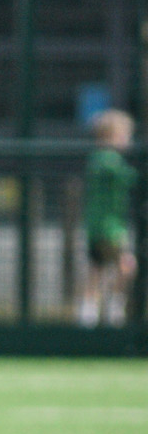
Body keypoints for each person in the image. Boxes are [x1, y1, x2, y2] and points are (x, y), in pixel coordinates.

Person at [78, 108, 137, 328]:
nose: (127, 140)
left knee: (97, 266)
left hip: (97, 225)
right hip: (108, 226)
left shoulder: (99, 159)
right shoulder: (107, 159)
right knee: (127, 265)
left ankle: (89, 313)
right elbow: (129, 178)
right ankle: (112, 309)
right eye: (123, 135)